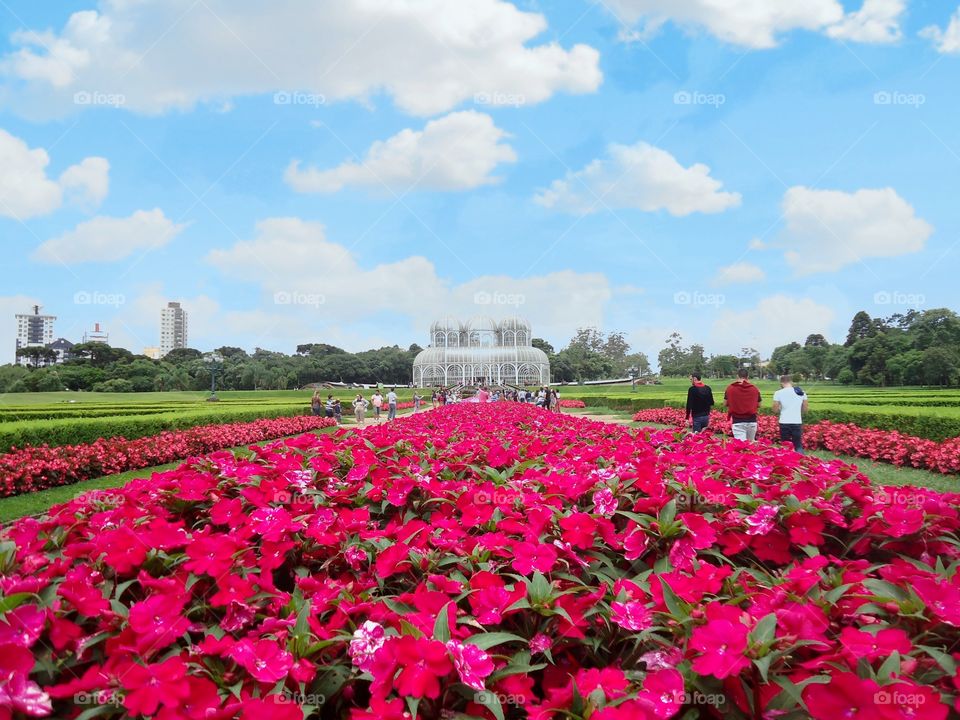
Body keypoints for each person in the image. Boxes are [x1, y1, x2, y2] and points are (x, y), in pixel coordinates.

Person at [773, 374, 809, 453]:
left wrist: (780, 408)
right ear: (791, 382)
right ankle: (800, 459)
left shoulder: (778, 393)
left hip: (784, 422)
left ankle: (787, 459)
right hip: (797, 421)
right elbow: (805, 409)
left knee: (785, 445)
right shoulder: (801, 392)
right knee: (798, 445)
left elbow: (775, 410)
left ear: (781, 383)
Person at [724, 369, 762, 441]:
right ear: (748, 377)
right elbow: (759, 405)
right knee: (751, 444)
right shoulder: (754, 389)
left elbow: (725, 403)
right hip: (752, 421)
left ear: (737, 376)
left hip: (738, 421)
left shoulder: (730, 388)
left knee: (741, 445)